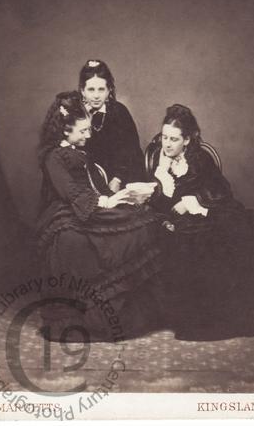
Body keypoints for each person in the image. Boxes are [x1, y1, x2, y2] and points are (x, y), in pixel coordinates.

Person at [36, 91, 163, 342]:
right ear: (65, 131)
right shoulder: (53, 156)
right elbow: (72, 193)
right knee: (82, 239)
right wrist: (109, 200)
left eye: (88, 129)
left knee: (147, 218)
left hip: (90, 204)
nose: (88, 135)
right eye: (82, 131)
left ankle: (143, 306)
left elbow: (93, 185)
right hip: (70, 211)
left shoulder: (76, 150)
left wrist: (124, 196)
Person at [149, 104, 254, 340]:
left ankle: (240, 315)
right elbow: (159, 201)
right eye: (164, 137)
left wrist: (189, 202)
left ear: (187, 140)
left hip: (209, 214)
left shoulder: (199, 159)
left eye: (174, 139)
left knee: (245, 241)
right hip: (180, 224)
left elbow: (221, 192)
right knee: (186, 244)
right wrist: (160, 184)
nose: (167, 144)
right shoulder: (162, 163)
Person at [78, 59, 145, 193]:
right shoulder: (76, 116)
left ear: (109, 90)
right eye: (91, 89)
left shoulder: (119, 112)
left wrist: (118, 179)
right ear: (82, 91)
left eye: (101, 89)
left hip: (120, 178)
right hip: (86, 181)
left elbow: (130, 152)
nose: (96, 96)